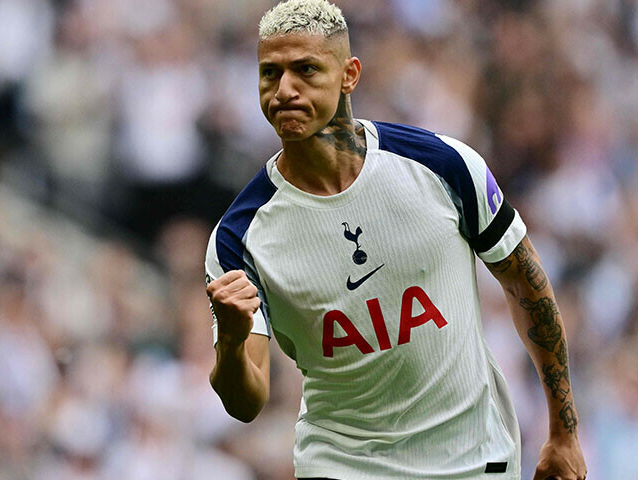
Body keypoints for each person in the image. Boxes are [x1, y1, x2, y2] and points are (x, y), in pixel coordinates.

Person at [204, 1, 587, 479]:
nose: (284, 90)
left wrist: (564, 432)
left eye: (305, 70)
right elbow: (246, 402)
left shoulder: (443, 165)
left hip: (472, 458)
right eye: (269, 73)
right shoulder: (238, 239)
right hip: (343, 466)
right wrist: (233, 344)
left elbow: (526, 285)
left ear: (349, 74)